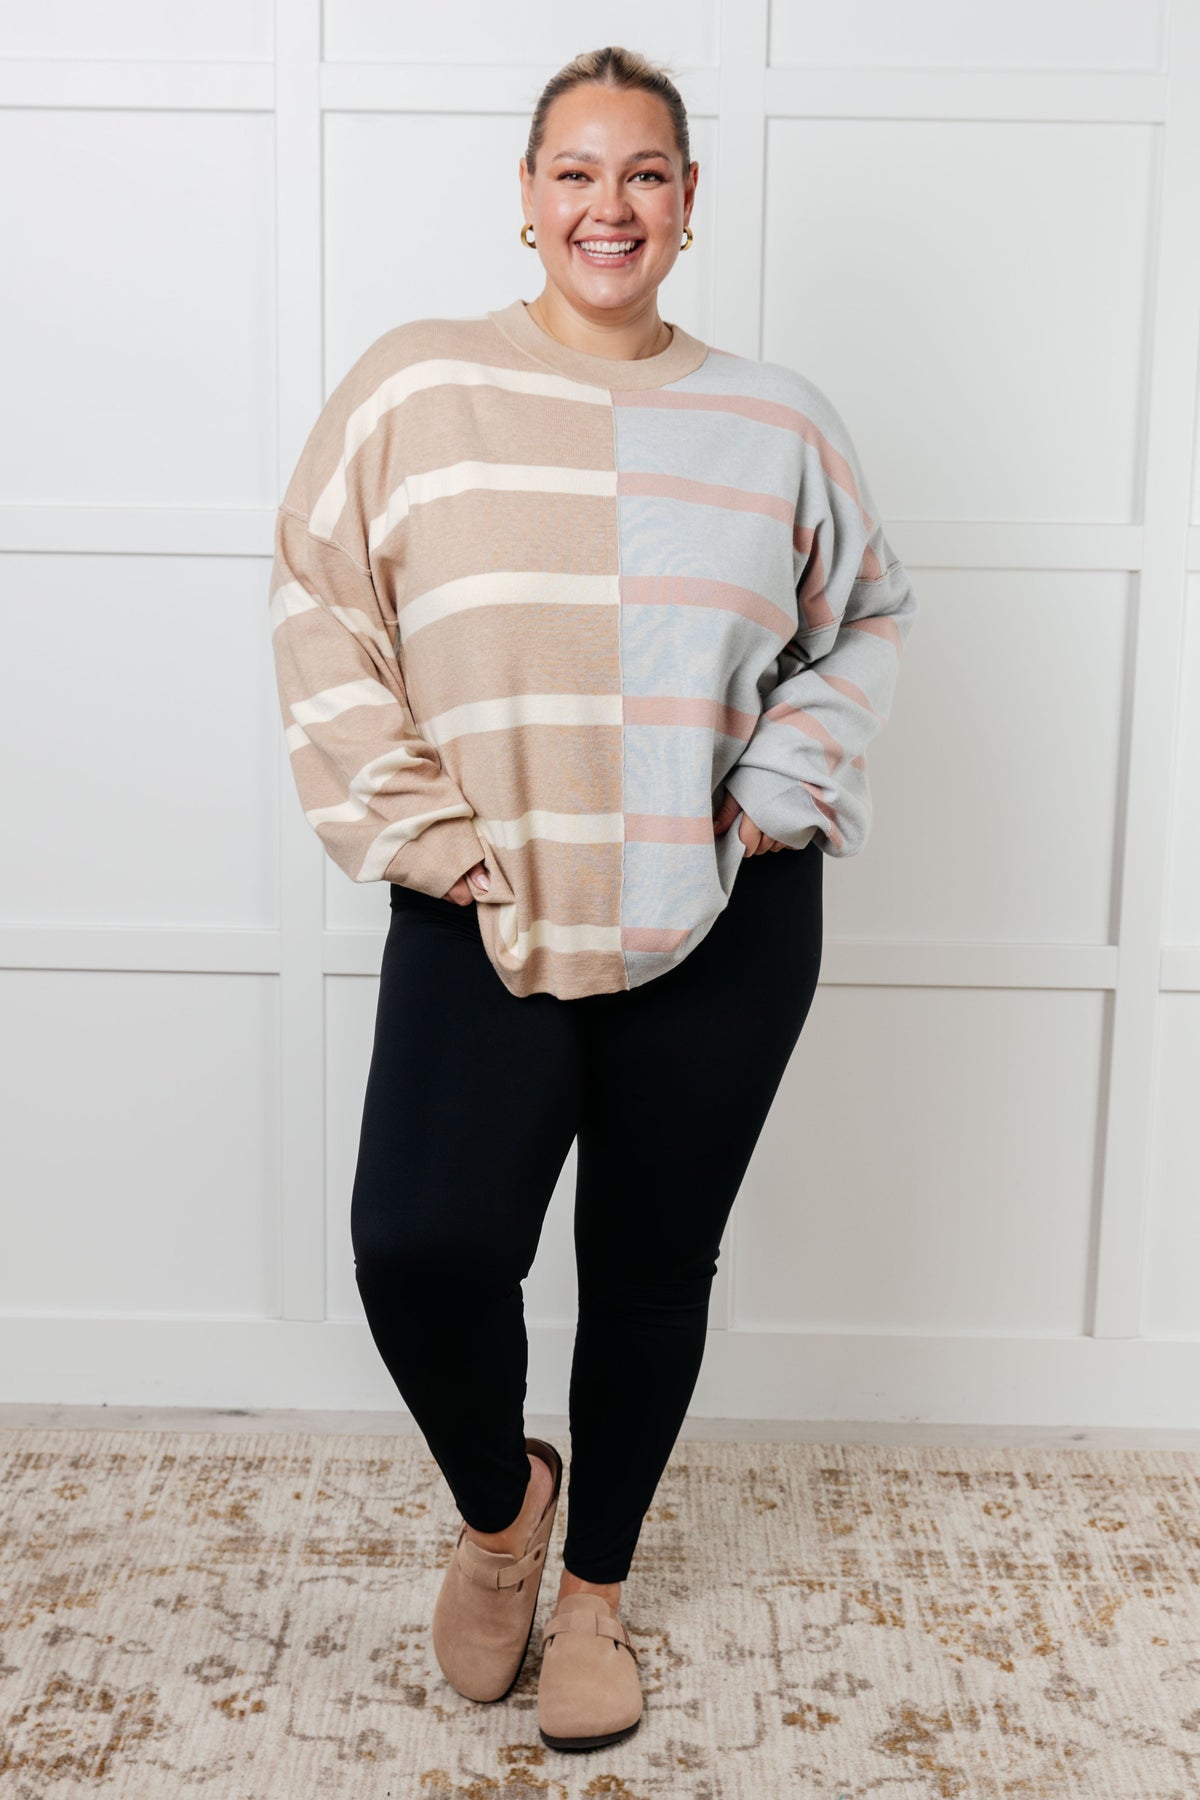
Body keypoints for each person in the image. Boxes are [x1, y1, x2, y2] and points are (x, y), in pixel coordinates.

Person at [267, 43, 918, 1755]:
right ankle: (506, 1514)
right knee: (421, 1249)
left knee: (645, 1266)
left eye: (643, 174)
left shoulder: (778, 421)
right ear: (528, 194)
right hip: (487, 899)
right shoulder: (418, 387)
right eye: (576, 171)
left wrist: (772, 801)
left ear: (689, 204)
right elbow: (321, 604)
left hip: (725, 911)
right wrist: (423, 831)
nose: (607, 205)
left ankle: (597, 1598)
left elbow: (866, 617)